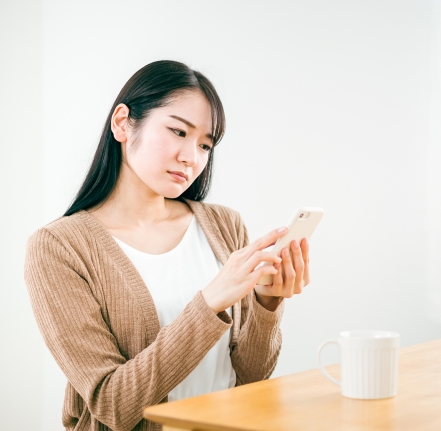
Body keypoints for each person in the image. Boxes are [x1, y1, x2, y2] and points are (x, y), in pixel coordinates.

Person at [24, 60, 311, 431]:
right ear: (123, 123)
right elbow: (113, 405)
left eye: (205, 145)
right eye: (178, 131)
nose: (192, 157)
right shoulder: (58, 248)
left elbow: (250, 380)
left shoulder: (224, 225)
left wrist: (267, 303)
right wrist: (209, 304)